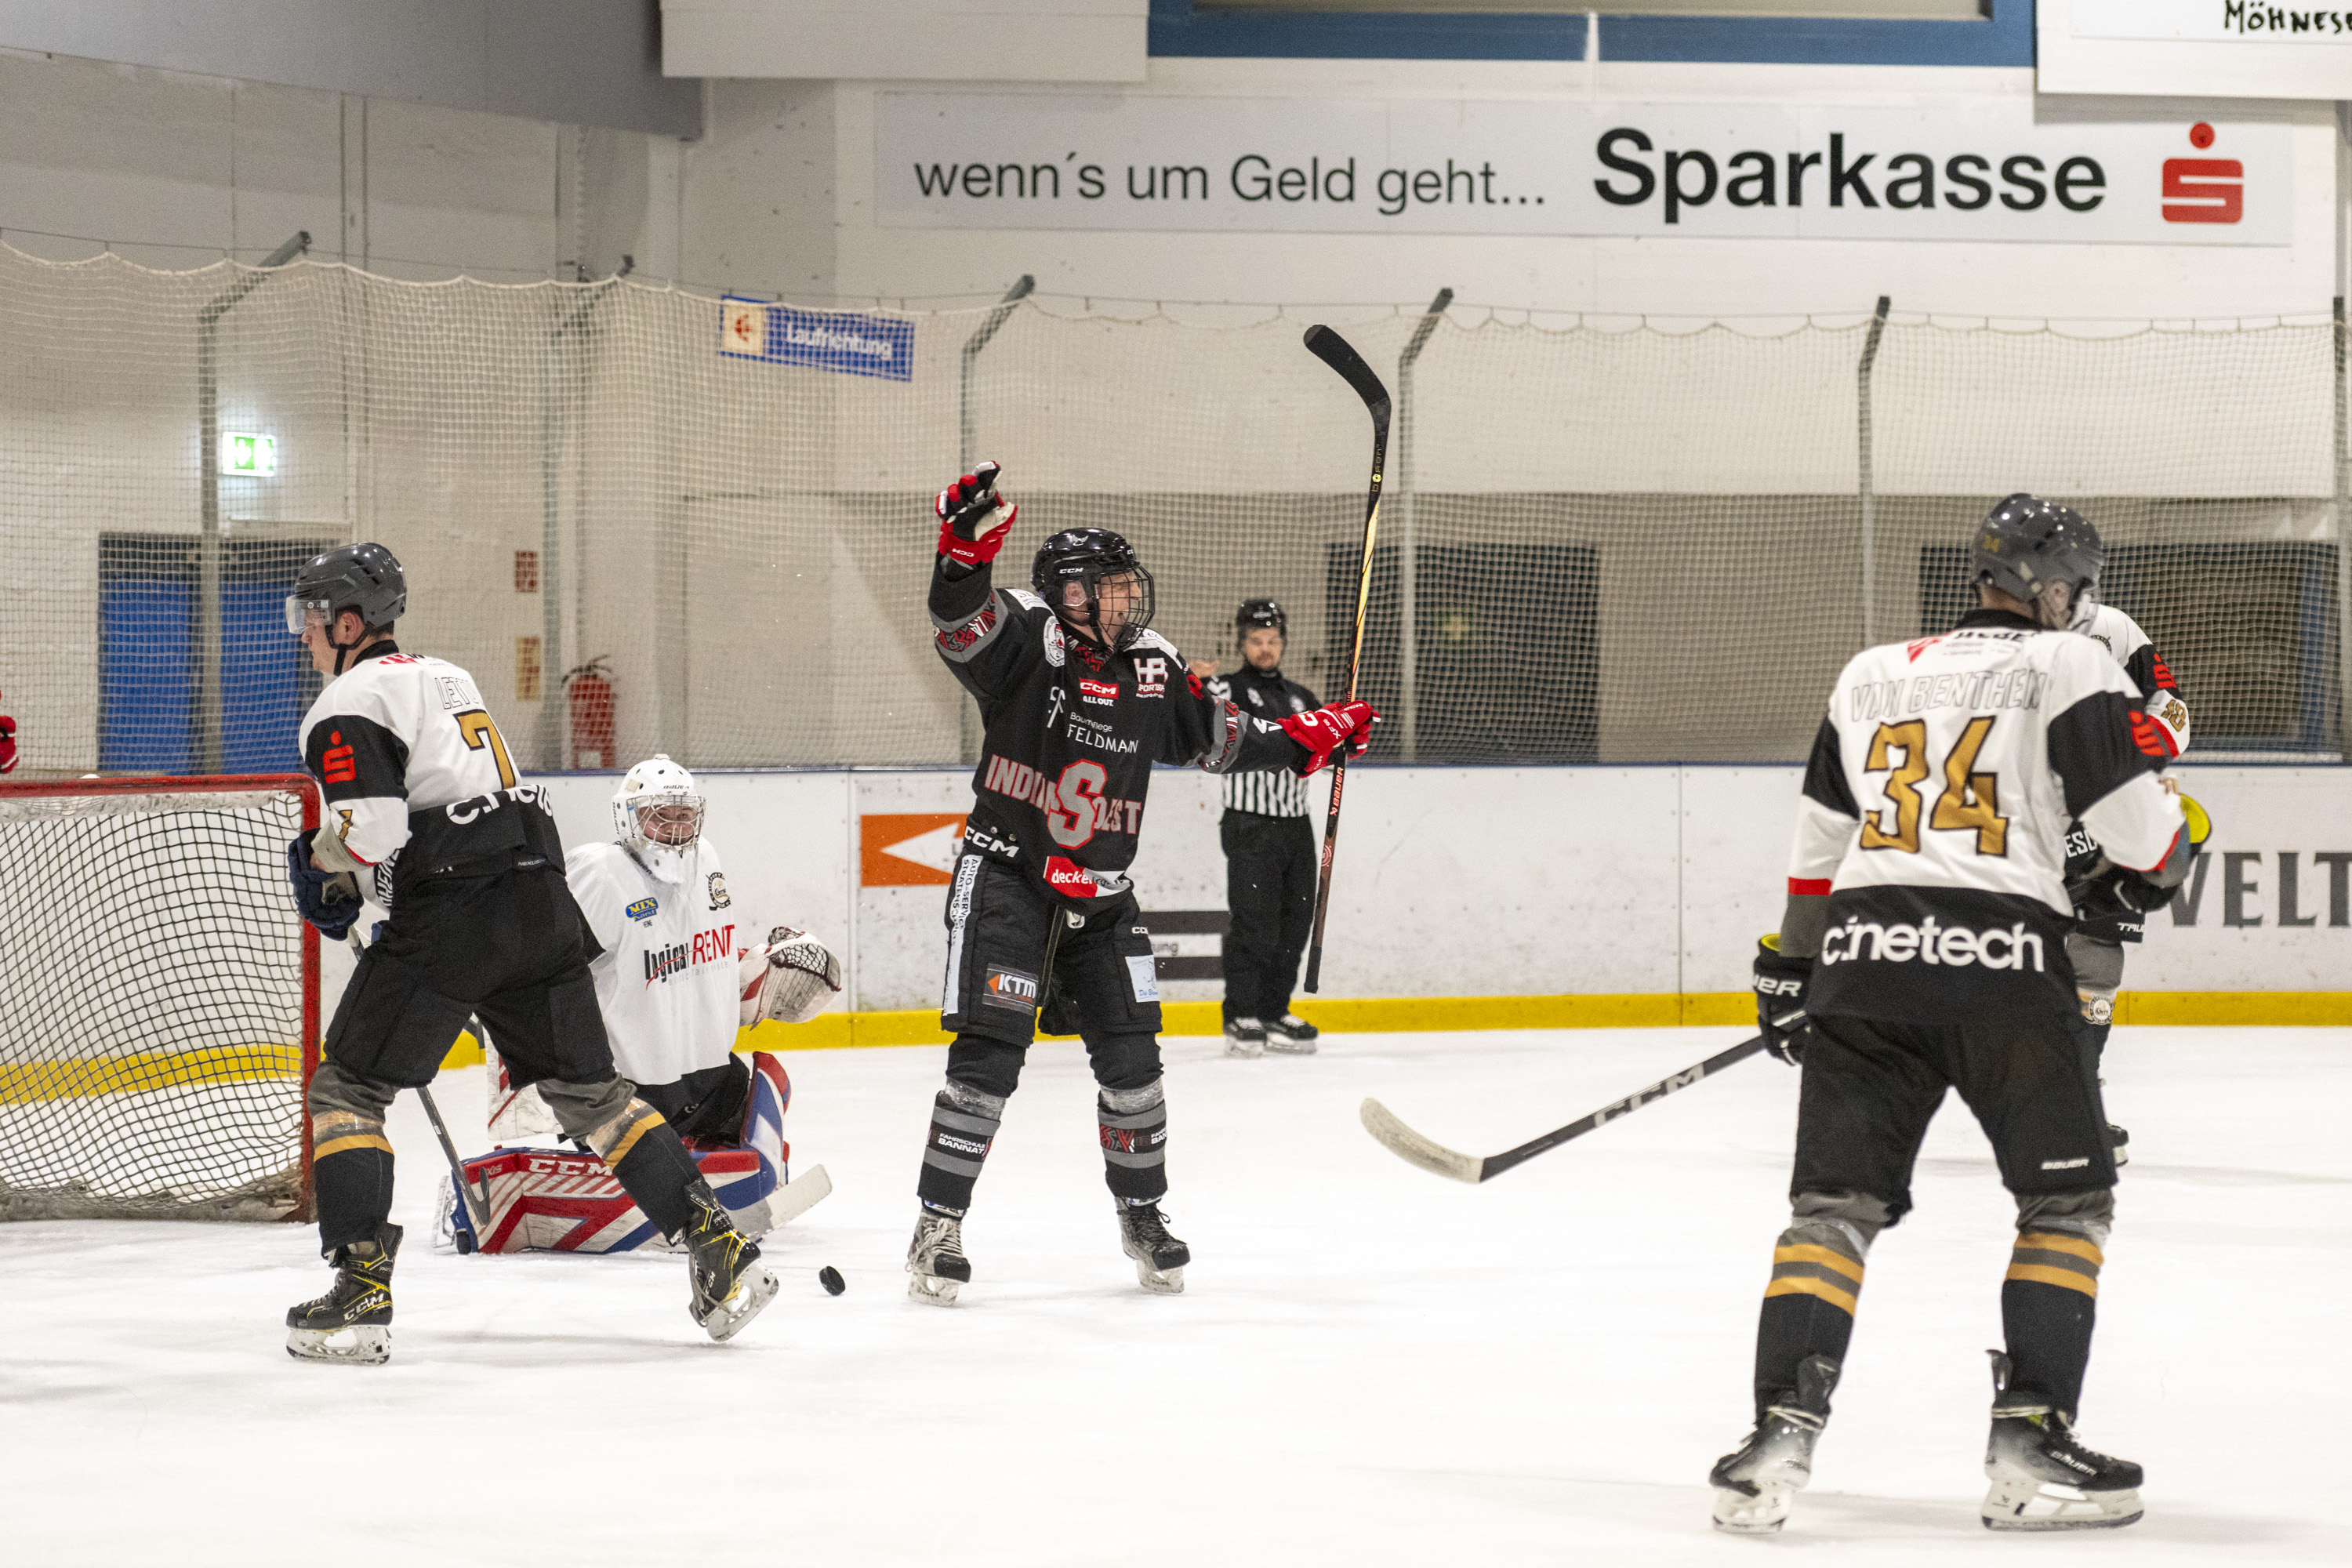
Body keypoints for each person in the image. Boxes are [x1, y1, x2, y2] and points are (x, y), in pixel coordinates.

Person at [1715, 495, 2198, 1535]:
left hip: (1867, 959)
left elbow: (1818, 848)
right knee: (2067, 1206)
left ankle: (1772, 1444)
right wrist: (2167, 857)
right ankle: (2030, 1442)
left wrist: (1791, 974)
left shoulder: (1869, 671)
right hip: (2004, 967)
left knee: (1830, 1212)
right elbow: (2144, 846)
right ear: (2059, 589)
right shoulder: (2074, 666)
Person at [279, 543, 776, 1363]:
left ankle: (359, 1291)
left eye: (310, 618)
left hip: (457, 909)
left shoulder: (347, 698)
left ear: (347, 622)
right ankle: (718, 1248)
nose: (303, 634)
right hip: (542, 898)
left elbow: (372, 829)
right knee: (595, 1097)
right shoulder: (448, 675)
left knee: (348, 1086)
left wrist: (323, 863)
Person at [911, 462, 1375, 1305]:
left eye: (1129, 589)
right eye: (1107, 590)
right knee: (987, 1060)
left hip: (1101, 896)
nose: (1126, 603)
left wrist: (1311, 735)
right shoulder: (1028, 633)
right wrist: (960, 562)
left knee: (1134, 1066)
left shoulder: (1153, 666)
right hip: (1009, 878)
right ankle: (937, 1224)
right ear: (1069, 594)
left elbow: (1221, 735)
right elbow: (961, 625)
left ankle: (1143, 1214)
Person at [445, 753, 843, 1254]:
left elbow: (695, 953)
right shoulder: (601, 874)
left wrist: (746, 978)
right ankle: (668, 1194)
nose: (676, 827)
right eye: (660, 814)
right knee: (655, 1134)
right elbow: (545, 962)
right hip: (638, 1091)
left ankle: (714, 1180)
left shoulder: (708, 860)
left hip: (709, 1076)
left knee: (760, 1087)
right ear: (629, 817)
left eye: (684, 814)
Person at [2063, 602, 2192, 1164]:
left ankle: (2076, 1109)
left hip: (2105, 809)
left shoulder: (2111, 628)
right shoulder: (1996, 638)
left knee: (2097, 955)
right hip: (2019, 819)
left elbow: (2172, 711)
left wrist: (2125, 758)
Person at [1188, 599, 1323, 1057]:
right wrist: (1196, 686)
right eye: (1256, 641)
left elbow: (1326, 749)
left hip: (1296, 827)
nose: (1265, 649)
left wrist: (1348, 735)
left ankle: (1273, 1009)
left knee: (1295, 922)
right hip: (1251, 824)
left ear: (1282, 643)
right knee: (1255, 922)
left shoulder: (1303, 697)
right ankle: (1241, 1013)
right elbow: (1199, 721)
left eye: (1272, 641)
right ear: (1242, 643)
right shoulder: (1227, 688)